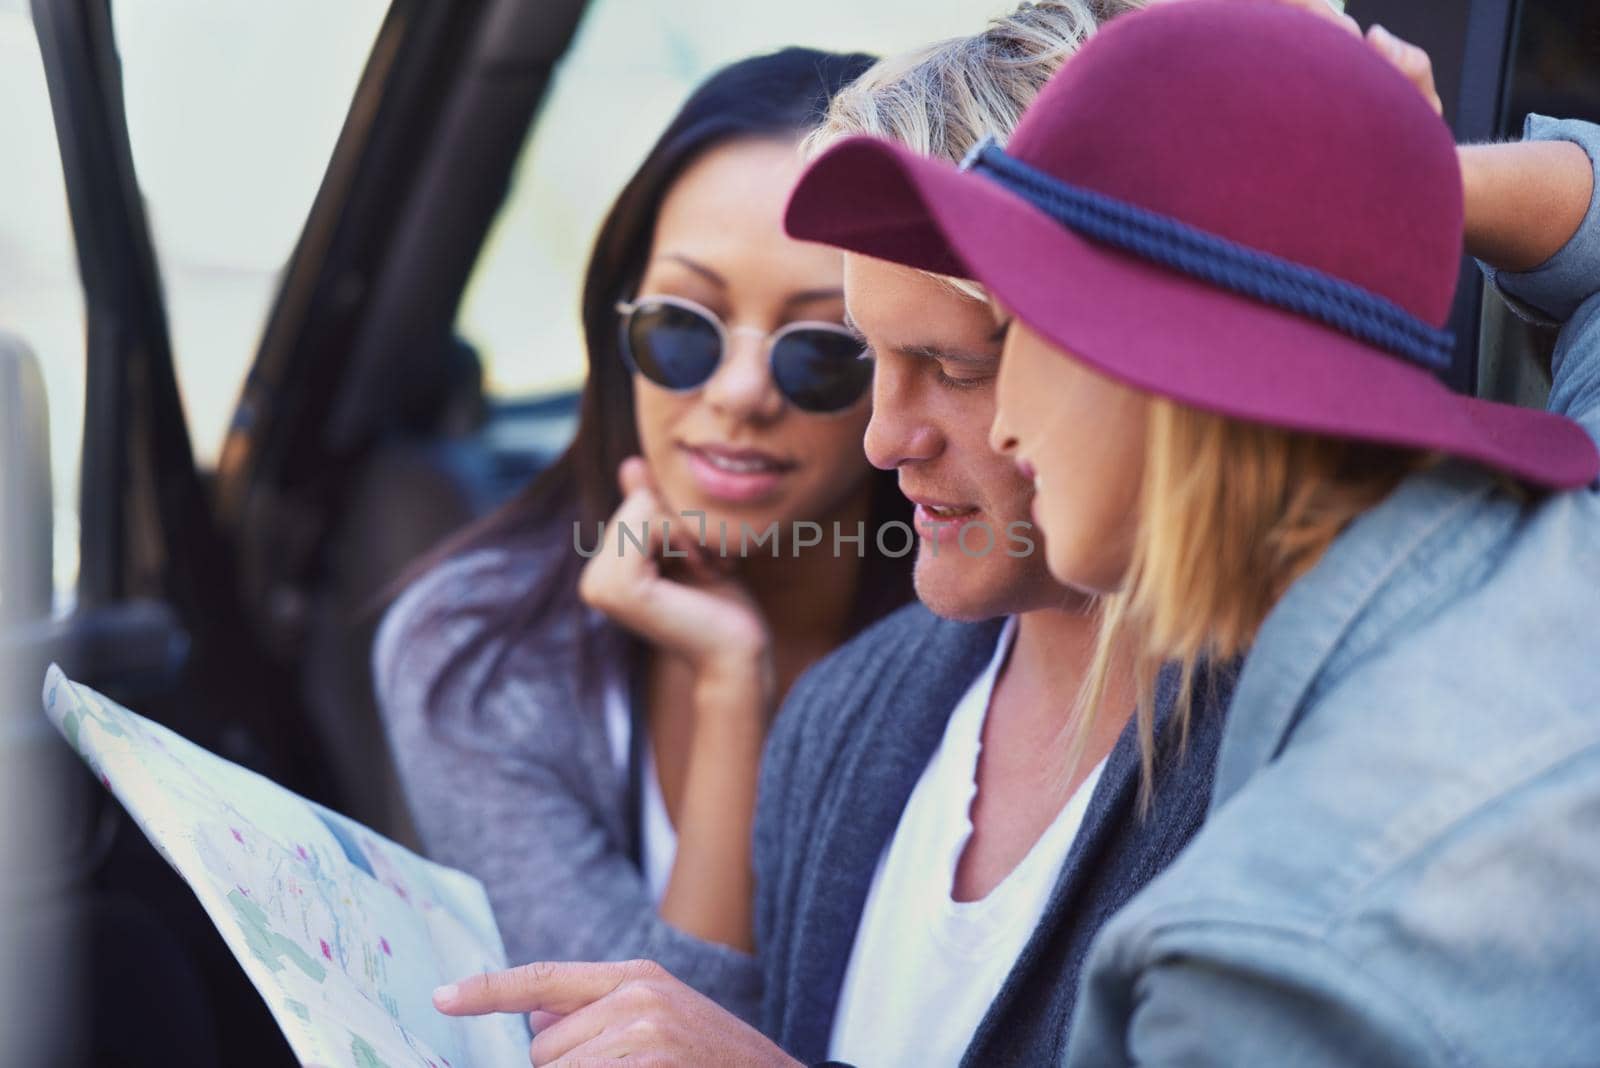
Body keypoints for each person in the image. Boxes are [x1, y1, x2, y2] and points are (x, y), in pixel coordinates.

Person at [783, 0, 1600, 1063]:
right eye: (856, 353)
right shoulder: (1560, 574)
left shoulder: (1258, 947)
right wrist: (1375, 187)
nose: (883, 439)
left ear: (1161, 357)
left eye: (974, 360)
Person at [429, 6, 1234, 1066]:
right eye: (678, 329)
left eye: (950, 366)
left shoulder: (1279, 741)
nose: (885, 434)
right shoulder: (845, 718)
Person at [373, 46, 915, 1024]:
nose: (739, 394)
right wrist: (728, 685)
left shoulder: (987, 656)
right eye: (683, 327)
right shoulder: (475, 654)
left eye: (823, 351)